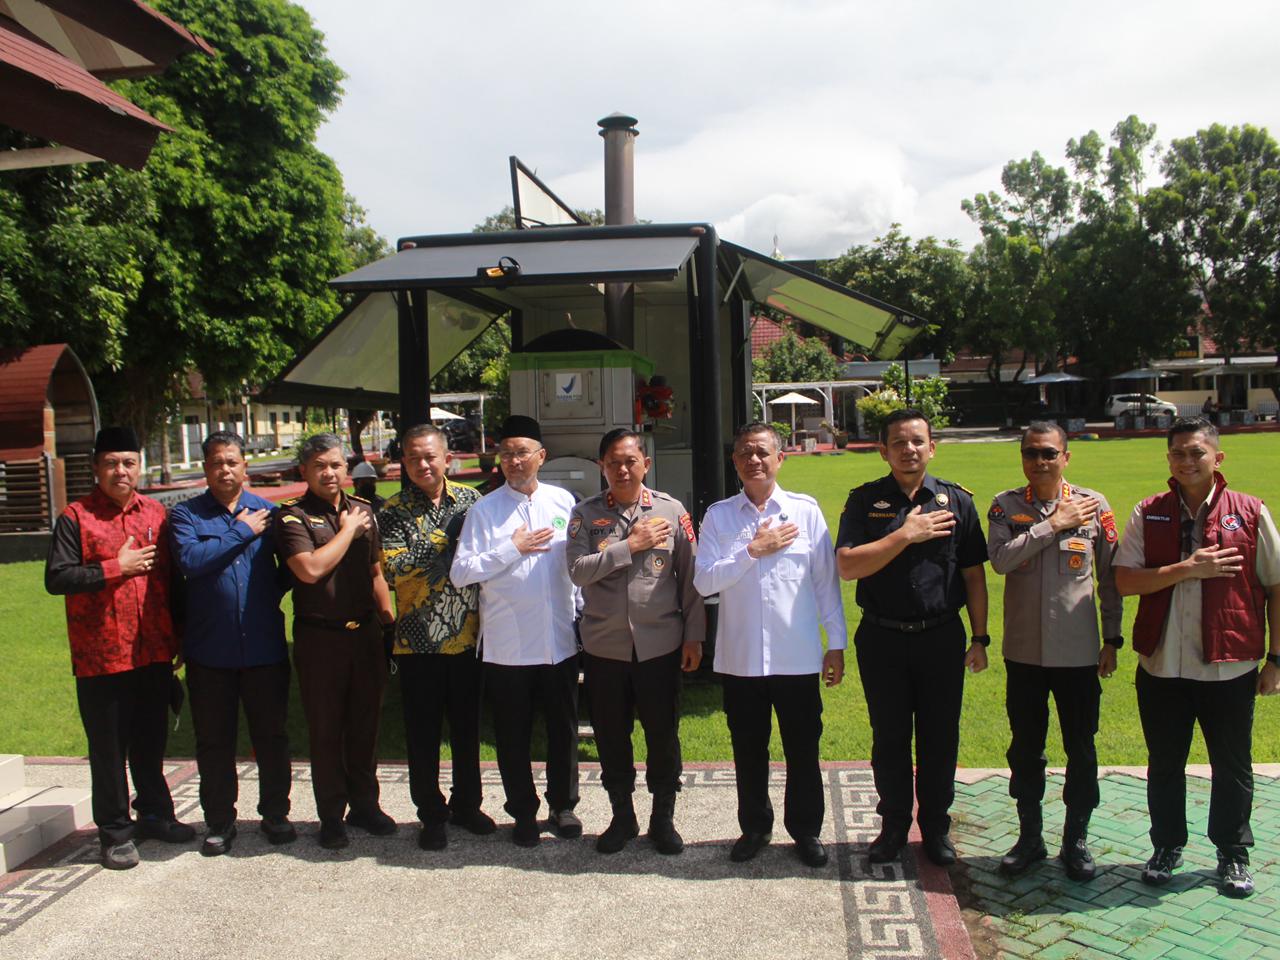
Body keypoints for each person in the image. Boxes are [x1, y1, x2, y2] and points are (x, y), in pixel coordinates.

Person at [1114, 417, 1280, 899]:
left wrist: (1276, 659)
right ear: (1168, 458)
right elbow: (1125, 581)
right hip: (1162, 665)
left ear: (1217, 457)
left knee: (1232, 764)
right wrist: (1187, 568)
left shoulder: (1249, 512)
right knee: (1165, 762)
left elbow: (1275, 586)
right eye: (1178, 453)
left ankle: (1233, 852)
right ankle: (1166, 845)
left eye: (1196, 452)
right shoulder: (1149, 512)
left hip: (1229, 664)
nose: (1187, 461)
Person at [835, 408, 989, 867]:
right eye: (899, 442)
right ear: (883, 451)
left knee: (940, 738)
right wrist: (905, 534)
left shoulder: (957, 501)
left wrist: (980, 637)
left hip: (940, 637)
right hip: (882, 638)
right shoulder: (865, 501)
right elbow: (848, 566)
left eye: (917, 441)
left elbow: (973, 575)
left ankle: (936, 828)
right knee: (890, 738)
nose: (909, 450)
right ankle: (894, 826)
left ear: (932, 447)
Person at [693, 421, 846, 868]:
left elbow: (825, 584)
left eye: (762, 452)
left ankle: (806, 830)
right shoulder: (720, 516)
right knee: (748, 750)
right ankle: (755, 828)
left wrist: (835, 643)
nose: (753, 460)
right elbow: (704, 582)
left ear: (780, 458)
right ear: (734, 461)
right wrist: (752, 551)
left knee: (803, 749)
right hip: (741, 659)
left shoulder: (805, 511)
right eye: (744, 452)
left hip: (796, 656)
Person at [45, 426, 195, 869]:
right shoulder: (76, 517)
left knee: (150, 741)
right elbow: (57, 577)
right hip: (101, 655)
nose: (121, 471)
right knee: (109, 750)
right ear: (96, 468)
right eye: (111, 463)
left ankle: (155, 815)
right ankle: (114, 832)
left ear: (139, 466)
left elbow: (172, 581)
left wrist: (179, 634)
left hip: (152, 650)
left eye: (129, 462)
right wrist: (117, 566)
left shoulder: (157, 515)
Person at [986, 422, 1123, 881]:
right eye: (1031, 453)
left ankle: (1075, 839)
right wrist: (1053, 525)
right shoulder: (1006, 506)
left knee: (1081, 748)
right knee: (1026, 749)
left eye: (1048, 453)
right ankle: (1030, 838)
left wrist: (1112, 638)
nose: (1040, 461)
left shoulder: (1094, 505)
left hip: (1078, 654)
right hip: (1024, 652)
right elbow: (1001, 560)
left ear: (1066, 456)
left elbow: (1110, 579)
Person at [567, 428, 705, 855]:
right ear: (602, 467)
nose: (622, 469)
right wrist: (629, 546)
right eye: (613, 462)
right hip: (605, 648)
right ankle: (622, 816)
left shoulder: (671, 510)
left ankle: (663, 818)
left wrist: (694, 637)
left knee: (662, 735)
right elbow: (577, 571)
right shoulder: (585, 514)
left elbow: (691, 578)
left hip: (660, 647)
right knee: (611, 735)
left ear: (646, 463)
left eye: (630, 461)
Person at [450, 415, 581, 847]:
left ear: (541, 456)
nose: (514, 460)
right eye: (506, 453)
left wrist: (581, 612)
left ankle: (562, 806)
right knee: (512, 734)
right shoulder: (485, 510)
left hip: (559, 639)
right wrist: (511, 548)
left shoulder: (564, 502)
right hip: (508, 645)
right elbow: (461, 572)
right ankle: (523, 811)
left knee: (562, 729)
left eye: (522, 452)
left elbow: (574, 565)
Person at [168, 430, 295, 857]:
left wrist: (265, 594)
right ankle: (220, 820)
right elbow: (191, 562)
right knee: (214, 741)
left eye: (232, 462)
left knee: (272, 736)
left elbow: (289, 568)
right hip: (210, 650)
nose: (225, 470)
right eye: (216, 463)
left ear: (245, 467)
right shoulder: (186, 516)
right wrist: (241, 531)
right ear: (205, 469)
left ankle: (275, 813)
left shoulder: (270, 513)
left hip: (263, 646)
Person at [275, 433, 396, 849]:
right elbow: (309, 569)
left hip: (364, 634)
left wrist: (388, 622)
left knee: (365, 725)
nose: (329, 473)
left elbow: (376, 572)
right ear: (304, 471)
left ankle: (365, 805)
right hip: (320, 639)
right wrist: (346, 532)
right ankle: (331, 814)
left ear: (347, 468)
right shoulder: (292, 516)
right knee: (326, 730)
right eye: (319, 466)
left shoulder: (364, 510)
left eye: (335, 465)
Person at [378, 423, 494, 851]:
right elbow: (394, 569)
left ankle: (467, 805)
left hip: (468, 638)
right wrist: (445, 538)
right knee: (423, 734)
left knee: (466, 729)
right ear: (403, 463)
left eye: (430, 456)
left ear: (448, 459)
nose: (422, 464)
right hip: (418, 643)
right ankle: (431, 812)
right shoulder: (392, 511)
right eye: (413, 458)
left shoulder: (472, 501)